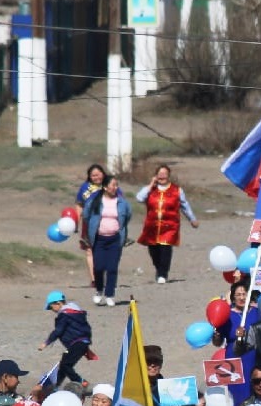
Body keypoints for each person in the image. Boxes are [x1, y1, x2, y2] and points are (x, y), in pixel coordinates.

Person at [136, 164, 199, 284]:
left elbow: (185, 206)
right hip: (152, 226)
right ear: (155, 176)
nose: (162, 176)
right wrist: (151, 184)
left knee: (165, 248)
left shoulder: (177, 190)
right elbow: (139, 198)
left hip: (170, 226)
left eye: (164, 174)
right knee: (153, 250)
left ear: (169, 176)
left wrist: (192, 219)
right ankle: (158, 269)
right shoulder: (150, 189)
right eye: (159, 174)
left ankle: (163, 274)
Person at [83, 174, 130, 305]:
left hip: (115, 239)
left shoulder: (122, 203)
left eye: (116, 185)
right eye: (113, 185)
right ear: (105, 187)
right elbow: (86, 215)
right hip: (99, 239)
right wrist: (93, 227)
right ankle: (99, 290)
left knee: (112, 267)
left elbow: (127, 217)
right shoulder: (95, 201)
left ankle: (110, 295)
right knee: (98, 267)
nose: (115, 187)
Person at [38, 291, 94, 388]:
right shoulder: (76, 313)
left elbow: (58, 331)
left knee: (66, 365)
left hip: (78, 343)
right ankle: (56, 385)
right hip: (81, 343)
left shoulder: (64, 315)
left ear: (58, 303)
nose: (52, 310)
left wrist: (46, 343)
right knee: (63, 365)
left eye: (51, 307)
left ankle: (81, 382)